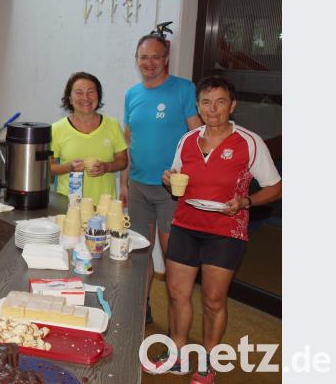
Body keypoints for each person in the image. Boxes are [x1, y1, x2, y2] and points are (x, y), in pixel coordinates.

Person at [146, 76, 281, 383]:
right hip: (185, 224)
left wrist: (246, 201)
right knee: (177, 293)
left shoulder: (248, 141)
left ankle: (208, 361)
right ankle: (177, 354)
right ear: (198, 106)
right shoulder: (188, 139)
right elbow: (178, 176)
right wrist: (171, 179)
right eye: (206, 102)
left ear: (232, 105)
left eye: (220, 102)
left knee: (213, 300)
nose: (213, 109)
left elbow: (276, 187)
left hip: (226, 230)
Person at [121, 34, 203, 323]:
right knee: (139, 253)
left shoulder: (183, 89)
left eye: (156, 57)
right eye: (144, 57)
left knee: (173, 258)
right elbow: (130, 141)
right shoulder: (131, 94)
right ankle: (141, 310)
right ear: (137, 60)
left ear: (166, 58)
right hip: (139, 187)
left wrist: (190, 174)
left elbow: (197, 136)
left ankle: (177, 320)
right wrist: (124, 183)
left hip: (171, 191)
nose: (150, 63)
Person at [50, 71, 128, 202]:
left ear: (98, 96)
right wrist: (69, 167)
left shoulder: (112, 125)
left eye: (91, 91)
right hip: (69, 205)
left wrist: (107, 167)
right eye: (79, 92)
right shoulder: (57, 129)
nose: (85, 98)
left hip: (104, 205)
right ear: (69, 98)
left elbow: (122, 161)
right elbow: (48, 168)